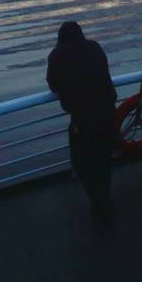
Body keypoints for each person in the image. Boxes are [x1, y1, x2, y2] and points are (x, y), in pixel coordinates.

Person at [46, 21, 117, 223]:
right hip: (108, 113)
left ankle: (100, 204)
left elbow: (53, 84)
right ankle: (104, 199)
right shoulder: (94, 47)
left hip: (83, 119)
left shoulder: (57, 55)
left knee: (82, 162)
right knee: (104, 159)